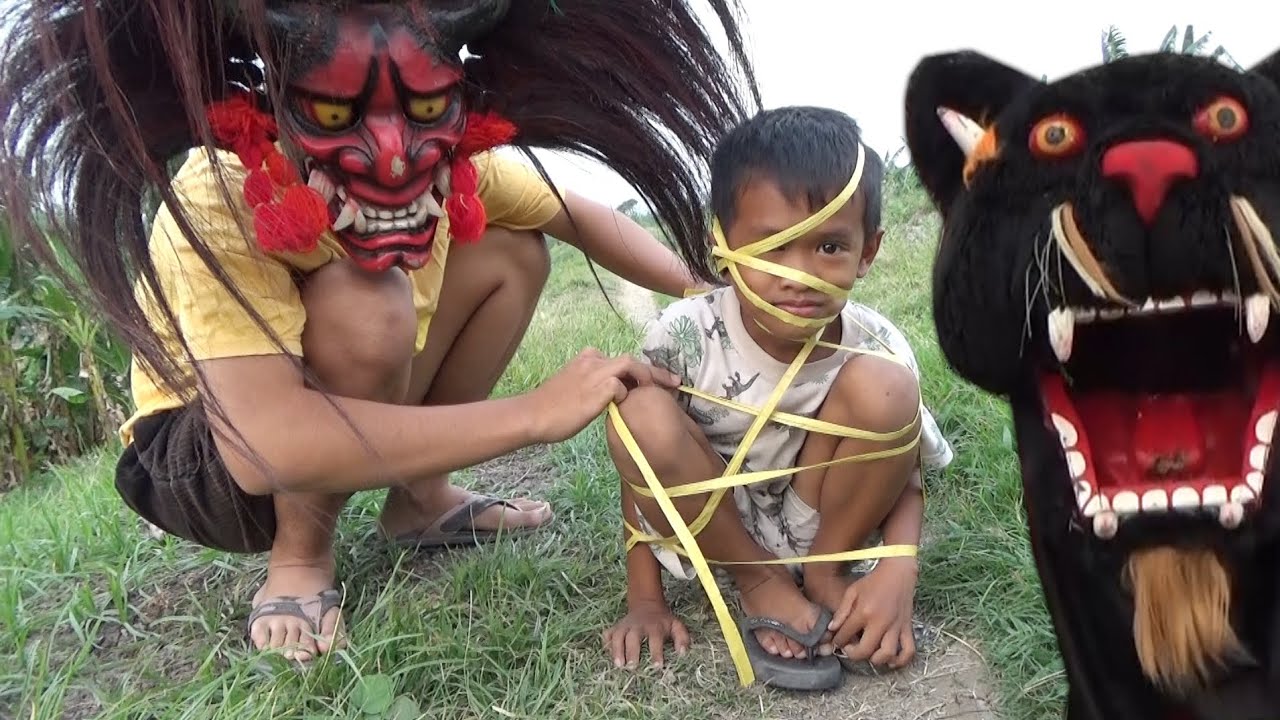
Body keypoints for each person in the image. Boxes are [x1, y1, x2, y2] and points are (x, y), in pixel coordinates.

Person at [0, 1, 761, 664]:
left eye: (425, 107)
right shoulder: (220, 192)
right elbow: (267, 445)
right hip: (213, 456)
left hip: (335, 408)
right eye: (337, 116)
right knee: (371, 302)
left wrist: (719, 290)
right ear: (277, 102)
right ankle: (300, 558)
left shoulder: (453, 166)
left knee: (512, 253)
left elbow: (576, 215)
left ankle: (421, 501)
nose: (394, 155)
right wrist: (534, 413)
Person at [601, 106, 954, 687]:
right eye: (773, 248)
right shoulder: (684, 335)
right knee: (636, 411)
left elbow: (905, 467)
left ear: (868, 251)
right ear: (720, 245)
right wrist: (645, 599)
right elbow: (637, 464)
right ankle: (759, 580)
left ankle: (824, 575)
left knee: (889, 389)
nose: (799, 275)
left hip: (823, 524)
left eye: (829, 247)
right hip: (716, 527)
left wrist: (898, 570)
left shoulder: (877, 344)